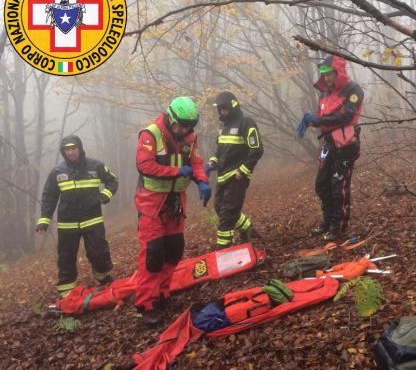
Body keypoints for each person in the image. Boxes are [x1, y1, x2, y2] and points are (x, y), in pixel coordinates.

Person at [135, 96, 211, 326]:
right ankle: (146, 303)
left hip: (176, 200)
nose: (185, 130)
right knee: (153, 254)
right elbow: (145, 165)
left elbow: (196, 163)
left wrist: (202, 181)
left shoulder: (189, 137)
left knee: (174, 249)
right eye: (182, 125)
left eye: (189, 127)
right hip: (151, 202)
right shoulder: (151, 134)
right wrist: (176, 171)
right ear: (170, 118)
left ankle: (163, 292)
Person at [36, 135, 118, 298]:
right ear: (63, 151)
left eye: (73, 148)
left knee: (99, 253)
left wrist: (105, 195)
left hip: (93, 220)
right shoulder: (57, 171)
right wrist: (44, 220)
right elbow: (49, 196)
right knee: (66, 258)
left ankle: (103, 276)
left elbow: (112, 181)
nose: (71, 152)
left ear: (80, 148)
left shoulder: (95, 166)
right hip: (68, 224)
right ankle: (67, 291)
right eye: (67, 149)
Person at [298, 55, 364, 241]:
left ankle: (338, 226)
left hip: (346, 144)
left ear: (338, 72)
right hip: (328, 144)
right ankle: (327, 222)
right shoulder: (325, 92)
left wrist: (318, 120)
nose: (326, 78)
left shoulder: (353, 90)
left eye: (329, 74)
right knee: (321, 185)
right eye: (323, 74)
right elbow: (322, 114)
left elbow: (345, 116)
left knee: (338, 186)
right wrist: (311, 119)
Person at [205, 92, 264, 249]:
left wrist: (243, 170)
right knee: (219, 208)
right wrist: (213, 161)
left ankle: (224, 246)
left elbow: (256, 149)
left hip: (238, 176)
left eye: (224, 109)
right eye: (220, 109)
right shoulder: (223, 126)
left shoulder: (246, 123)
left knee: (228, 212)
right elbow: (221, 149)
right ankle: (247, 228)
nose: (222, 112)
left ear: (232, 106)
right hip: (223, 176)